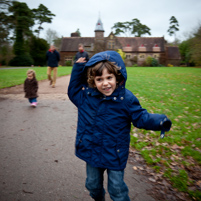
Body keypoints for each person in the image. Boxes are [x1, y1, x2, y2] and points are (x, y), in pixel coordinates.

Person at [68, 51, 172, 201]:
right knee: (92, 185)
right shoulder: (86, 97)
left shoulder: (126, 99)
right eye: (99, 79)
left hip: (114, 153)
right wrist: (78, 68)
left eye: (109, 78)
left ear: (117, 77)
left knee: (117, 189)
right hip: (92, 151)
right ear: (92, 81)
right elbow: (73, 90)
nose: (105, 83)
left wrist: (159, 121)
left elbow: (141, 117)